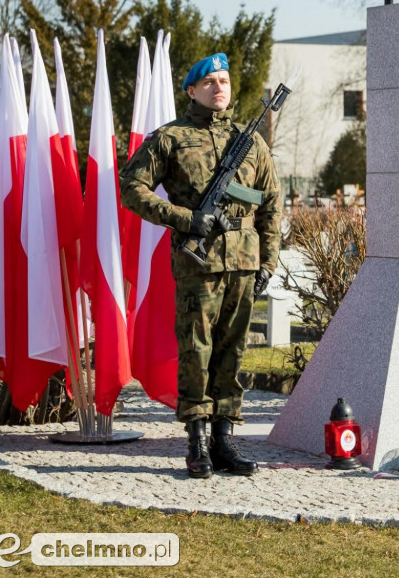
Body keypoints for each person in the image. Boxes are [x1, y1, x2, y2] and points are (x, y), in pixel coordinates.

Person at [120, 53, 281, 479]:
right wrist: (186, 218)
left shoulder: (251, 142)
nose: (219, 87)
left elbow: (270, 204)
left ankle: (224, 440)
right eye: (209, 81)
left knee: (234, 351)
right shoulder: (170, 138)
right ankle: (196, 443)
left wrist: (269, 259)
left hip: (244, 263)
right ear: (192, 90)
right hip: (198, 263)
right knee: (196, 351)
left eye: (224, 80)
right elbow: (131, 188)